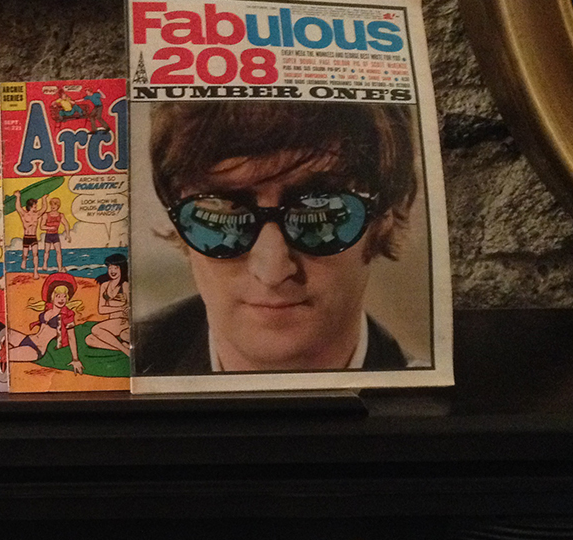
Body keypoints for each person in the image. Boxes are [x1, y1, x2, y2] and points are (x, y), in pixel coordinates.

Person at [133, 100, 418, 375]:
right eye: (222, 214)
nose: (272, 271)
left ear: (386, 214)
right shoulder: (124, 361)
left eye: (318, 212)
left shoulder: (427, 397)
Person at [8, 272, 83, 374]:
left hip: (36, 349)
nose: (61, 299)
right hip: (28, 338)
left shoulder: (67, 315)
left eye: (64, 296)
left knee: (5, 355)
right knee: (5, 332)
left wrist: (75, 359)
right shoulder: (48, 308)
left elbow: (71, 337)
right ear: (52, 296)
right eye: (58, 296)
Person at [86, 252, 130, 356]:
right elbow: (101, 309)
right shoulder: (105, 286)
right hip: (111, 323)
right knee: (89, 339)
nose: (112, 271)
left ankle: (125, 350)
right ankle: (123, 348)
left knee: (96, 329)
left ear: (122, 269)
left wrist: (123, 309)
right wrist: (120, 308)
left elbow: (129, 307)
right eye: (110, 268)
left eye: (116, 268)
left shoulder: (125, 285)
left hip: (123, 321)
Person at [39, 196, 69, 271]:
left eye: (55, 204)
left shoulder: (60, 215)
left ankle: (59, 268)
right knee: (47, 251)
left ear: (58, 206)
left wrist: (67, 234)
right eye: (52, 204)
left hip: (55, 235)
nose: (53, 206)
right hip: (48, 235)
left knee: (58, 251)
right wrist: (50, 228)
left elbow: (66, 224)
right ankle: (44, 265)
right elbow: (41, 226)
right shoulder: (46, 215)